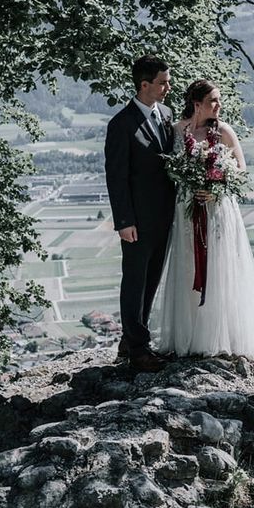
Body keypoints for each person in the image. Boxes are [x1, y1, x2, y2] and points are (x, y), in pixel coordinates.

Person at [152, 79, 254, 357]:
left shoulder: (224, 131)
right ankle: (189, 335)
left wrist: (217, 183)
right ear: (197, 103)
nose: (219, 105)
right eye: (214, 100)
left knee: (220, 265)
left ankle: (221, 334)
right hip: (186, 209)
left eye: (219, 100)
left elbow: (241, 168)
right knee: (188, 263)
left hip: (217, 207)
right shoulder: (176, 131)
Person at [103, 55, 176, 372]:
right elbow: (116, 176)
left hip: (165, 217)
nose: (168, 88)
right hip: (136, 222)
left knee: (152, 281)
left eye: (168, 81)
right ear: (144, 84)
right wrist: (124, 221)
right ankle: (138, 350)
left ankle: (131, 341)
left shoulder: (168, 115)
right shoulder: (121, 124)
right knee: (134, 282)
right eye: (162, 82)